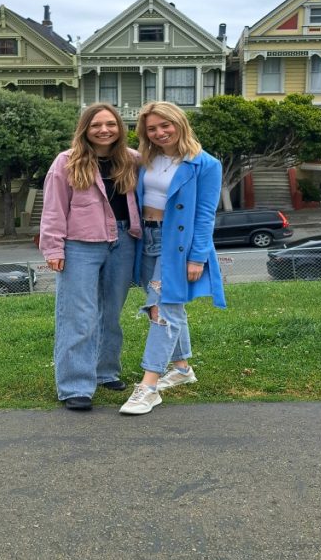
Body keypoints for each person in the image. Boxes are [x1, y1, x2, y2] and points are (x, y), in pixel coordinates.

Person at [120, 101, 226, 416]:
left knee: (161, 308)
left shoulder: (204, 164)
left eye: (165, 125)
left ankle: (148, 386)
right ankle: (181, 368)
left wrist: (198, 257)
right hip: (147, 239)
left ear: (179, 123)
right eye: (152, 128)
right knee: (169, 304)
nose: (160, 132)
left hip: (177, 245)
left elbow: (206, 214)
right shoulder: (145, 160)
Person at [39, 103, 142, 411]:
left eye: (110, 124)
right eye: (96, 124)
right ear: (85, 128)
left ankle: (105, 371)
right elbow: (54, 208)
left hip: (123, 242)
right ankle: (74, 386)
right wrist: (53, 248)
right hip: (80, 246)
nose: (104, 130)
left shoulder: (133, 160)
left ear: (120, 128)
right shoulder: (66, 162)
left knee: (111, 312)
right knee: (78, 315)